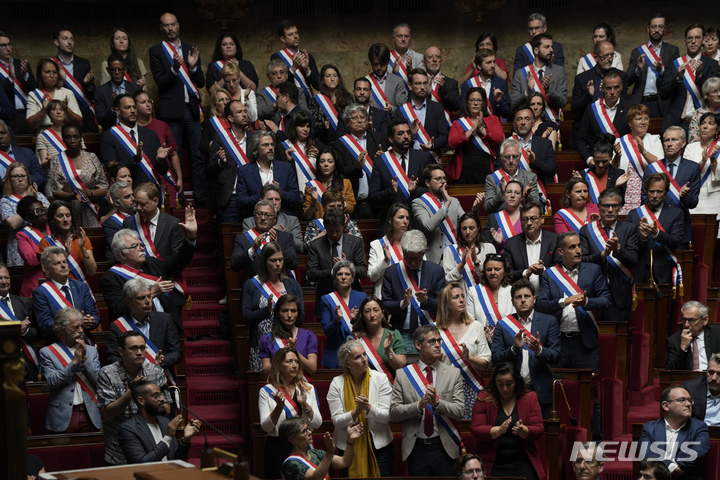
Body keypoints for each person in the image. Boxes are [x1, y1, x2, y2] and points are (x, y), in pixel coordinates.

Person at [537, 231, 611, 439]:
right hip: (558, 344)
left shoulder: (593, 270)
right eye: (572, 247)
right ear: (560, 251)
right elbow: (541, 306)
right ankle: (561, 442)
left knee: (590, 396)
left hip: (585, 345)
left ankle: (594, 443)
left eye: (579, 246)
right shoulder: (550, 275)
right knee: (557, 394)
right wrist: (564, 302)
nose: (578, 250)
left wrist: (586, 303)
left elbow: (606, 300)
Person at [390, 325, 465, 476]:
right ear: (418, 345)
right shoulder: (403, 375)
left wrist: (437, 404)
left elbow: (460, 411)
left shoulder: (453, 373)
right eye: (431, 341)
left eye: (439, 341)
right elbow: (394, 412)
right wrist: (418, 406)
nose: (437, 345)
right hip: (416, 447)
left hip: (445, 446)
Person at [149, 13, 206, 207]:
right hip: (171, 113)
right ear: (161, 28)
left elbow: (201, 82)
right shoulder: (156, 51)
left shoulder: (191, 48)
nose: (170, 28)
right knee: (174, 156)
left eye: (173, 24)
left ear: (178, 25)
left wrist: (192, 68)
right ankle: (178, 198)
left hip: (191, 111)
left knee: (198, 155)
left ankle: (200, 197)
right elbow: (161, 83)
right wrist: (174, 69)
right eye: (166, 26)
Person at [101, 216, 197, 332]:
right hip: (134, 332)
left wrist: (191, 237)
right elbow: (119, 308)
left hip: (166, 328)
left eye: (141, 245)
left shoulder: (152, 264)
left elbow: (179, 261)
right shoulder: (111, 277)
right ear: (122, 254)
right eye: (135, 246)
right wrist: (151, 293)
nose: (141, 249)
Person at [97, 330, 172, 465]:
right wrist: (131, 393)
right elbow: (107, 413)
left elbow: (166, 409)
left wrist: (149, 402)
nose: (139, 352)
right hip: (118, 451)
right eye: (133, 348)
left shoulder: (156, 372)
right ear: (121, 352)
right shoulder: (107, 374)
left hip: (152, 446)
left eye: (142, 348)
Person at [492, 279, 561, 418]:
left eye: (527, 296)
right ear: (512, 302)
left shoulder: (549, 322)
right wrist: (514, 349)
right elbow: (495, 359)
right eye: (518, 297)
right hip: (512, 393)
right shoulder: (503, 325)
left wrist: (539, 350)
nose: (523, 300)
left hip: (541, 392)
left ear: (534, 299)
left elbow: (556, 356)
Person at [327, 339, 394, 477]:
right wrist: (356, 412)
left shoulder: (380, 379)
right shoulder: (336, 383)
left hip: (379, 447)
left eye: (364, 354)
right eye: (358, 357)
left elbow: (387, 416)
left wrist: (368, 408)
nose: (364, 359)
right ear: (347, 364)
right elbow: (337, 421)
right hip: (347, 447)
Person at [471, 362, 545, 480]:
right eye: (500, 384)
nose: (505, 389)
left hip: (522, 461)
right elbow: (476, 429)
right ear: (495, 383)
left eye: (509, 384)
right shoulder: (484, 398)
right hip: (492, 462)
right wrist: (498, 430)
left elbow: (539, 429)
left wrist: (523, 430)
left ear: (516, 382)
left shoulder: (530, 398)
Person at [259, 348, 322, 479]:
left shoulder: (307, 389)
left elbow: (317, 423)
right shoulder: (267, 391)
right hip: (277, 447)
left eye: (296, 361)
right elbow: (266, 427)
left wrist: (305, 405)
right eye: (289, 361)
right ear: (278, 365)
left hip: (303, 445)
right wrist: (278, 408)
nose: (294, 365)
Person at [579, 188, 640, 323]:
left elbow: (633, 260)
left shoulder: (629, 229)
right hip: (591, 293)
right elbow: (582, 261)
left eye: (615, 206)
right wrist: (601, 255)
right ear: (599, 207)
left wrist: (617, 249)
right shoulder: (587, 231)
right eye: (606, 206)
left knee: (616, 339)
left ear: (620, 208)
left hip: (619, 296)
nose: (610, 210)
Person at [38, 307, 102, 433]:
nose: (80, 331)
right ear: (61, 329)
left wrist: (85, 359)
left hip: (90, 412)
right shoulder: (48, 352)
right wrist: (74, 363)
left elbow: (99, 381)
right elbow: (53, 381)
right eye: (75, 327)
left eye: (81, 326)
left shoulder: (91, 351)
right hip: (63, 414)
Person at [242, 242, 303, 372]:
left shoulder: (292, 285)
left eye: (280, 260)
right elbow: (245, 317)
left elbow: (301, 316)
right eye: (273, 260)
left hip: (288, 345)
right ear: (264, 261)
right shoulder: (252, 284)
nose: (278, 264)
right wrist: (266, 310)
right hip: (261, 346)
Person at [382, 230, 445, 353]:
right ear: (403, 251)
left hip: (429, 336)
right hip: (401, 335)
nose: (413, 262)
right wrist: (402, 304)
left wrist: (426, 301)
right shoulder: (391, 272)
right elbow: (385, 305)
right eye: (409, 258)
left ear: (424, 251)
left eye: (417, 258)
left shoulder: (436, 271)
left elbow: (444, 306)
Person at [436, 283, 491, 418]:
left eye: (462, 296)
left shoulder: (476, 326)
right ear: (446, 303)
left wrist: (469, 358)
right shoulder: (434, 330)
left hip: (471, 386)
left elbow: (486, 362)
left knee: (470, 432)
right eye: (455, 297)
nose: (461, 300)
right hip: (445, 389)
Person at [105, 278, 182, 373]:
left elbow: (176, 353)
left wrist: (161, 362)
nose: (148, 301)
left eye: (149, 296)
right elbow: (112, 357)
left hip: (161, 376)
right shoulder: (117, 326)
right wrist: (132, 367)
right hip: (131, 380)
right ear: (128, 302)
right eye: (141, 298)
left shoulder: (165, 320)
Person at [641, 127, 701, 246]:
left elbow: (693, 202)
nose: (669, 144)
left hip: (680, 231)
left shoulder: (692, 168)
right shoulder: (652, 168)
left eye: (674, 140)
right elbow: (643, 200)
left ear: (683, 143)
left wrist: (684, 196)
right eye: (667, 140)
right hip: (655, 227)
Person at [118, 380, 201, 464]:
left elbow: (178, 460)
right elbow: (141, 463)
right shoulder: (128, 429)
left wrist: (185, 439)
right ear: (141, 401)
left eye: (161, 394)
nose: (162, 399)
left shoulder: (164, 422)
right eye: (156, 396)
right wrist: (167, 438)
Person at [99, 93, 170, 189]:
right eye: (127, 108)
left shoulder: (151, 135)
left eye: (134, 107)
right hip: (127, 193)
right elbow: (112, 169)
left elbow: (162, 171)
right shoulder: (109, 137)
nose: (132, 111)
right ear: (117, 111)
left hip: (151, 192)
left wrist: (160, 160)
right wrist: (135, 160)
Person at [639, 386, 710, 479]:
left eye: (689, 400)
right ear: (665, 405)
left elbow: (697, 453)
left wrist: (678, 467)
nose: (688, 404)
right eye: (682, 400)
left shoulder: (699, 427)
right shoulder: (649, 428)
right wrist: (670, 466)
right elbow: (647, 454)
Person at [626, 173, 684, 285]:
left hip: (664, 270)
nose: (655, 195)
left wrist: (656, 233)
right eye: (651, 191)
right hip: (639, 271)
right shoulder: (633, 215)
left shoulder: (676, 214)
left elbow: (676, 242)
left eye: (659, 192)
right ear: (646, 191)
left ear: (666, 193)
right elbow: (628, 245)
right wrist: (642, 238)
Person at [660, 24, 719, 134]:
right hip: (676, 123)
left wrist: (700, 76)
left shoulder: (712, 65)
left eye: (697, 38)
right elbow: (663, 94)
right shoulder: (674, 64)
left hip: (703, 123)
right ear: (684, 41)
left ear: (703, 40)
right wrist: (678, 78)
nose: (693, 41)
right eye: (690, 38)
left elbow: (714, 94)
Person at [307, 209, 367, 316]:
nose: (334, 234)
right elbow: (311, 274)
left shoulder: (355, 242)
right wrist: (332, 272)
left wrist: (348, 266)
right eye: (331, 231)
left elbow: (363, 272)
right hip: (327, 299)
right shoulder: (316, 245)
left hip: (352, 300)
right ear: (325, 226)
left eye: (338, 231)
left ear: (344, 226)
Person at [48, 123, 108, 227]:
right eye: (68, 137)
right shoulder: (57, 160)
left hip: (92, 208)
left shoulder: (91, 157)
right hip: (69, 211)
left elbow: (104, 188)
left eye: (76, 137)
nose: (72, 141)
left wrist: (87, 194)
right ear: (63, 139)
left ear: (81, 138)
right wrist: (73, 195)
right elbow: (56, 192)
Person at [413, 164, 475, 264]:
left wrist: (474, 209)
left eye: (444, 178)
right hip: (435, 258)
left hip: (455, 256)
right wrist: (446, 204)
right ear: (427, 183)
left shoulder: (454, 201)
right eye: (438, 179)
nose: (443, 182)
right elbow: (429, 226)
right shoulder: (419, 203)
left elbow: (466, 221)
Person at [571, 43, 628, 151]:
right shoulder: (582, 78)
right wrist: (587, 96)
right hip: (588, 136)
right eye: (605, 56)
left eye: (612, 55)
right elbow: (574, 108)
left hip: (615, 134)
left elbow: (623, 105)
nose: (609, 59)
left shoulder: (621, 77)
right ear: (596, 57)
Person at [332, 103, 383, 218]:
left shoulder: (378, 139)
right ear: (347, 123)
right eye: (354, 118)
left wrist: (384, 159)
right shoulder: (339, 144)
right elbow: (339, 172)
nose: (359, 121)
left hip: (376, 203)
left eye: (362, 117)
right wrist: (357, 167)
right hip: (352, 203)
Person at [133, 90, 184, 205]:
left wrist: (179, 177)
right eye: (143, 102)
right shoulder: (132, 130)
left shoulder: (162, 126)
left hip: (165, 176)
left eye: (149, 101)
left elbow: (173, 154)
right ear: (134, 107)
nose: (148, 104)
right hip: (144, 178)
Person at [237, 130, 301, 217]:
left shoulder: (286, 168)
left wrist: (279, 191)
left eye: (272, 144)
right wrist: (262, 194)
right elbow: (240, 202)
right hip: (256, 220)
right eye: (265, 145)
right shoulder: (245, 171)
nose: (271, 148)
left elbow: (296, 199)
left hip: (283, 219)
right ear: (256, 150)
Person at [626, 14, 680, 118]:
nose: (657, 30)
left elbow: (675, 79)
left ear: (664, 29)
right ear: (648, 29)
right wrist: (638, 69)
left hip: (662, 102)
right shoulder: (637, 52)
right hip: (640, 102)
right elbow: (627, 81)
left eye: (660, 27)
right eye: (654, 26)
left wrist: (661, 71)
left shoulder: (672, 51)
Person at [208, 100, 253, 223]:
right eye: (239, 112)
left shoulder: (254, 138)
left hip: (251, 196)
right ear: (230, 118)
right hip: (230, 197)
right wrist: (220, 163)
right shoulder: (221, 138)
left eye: (245, 111)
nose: (244, 114)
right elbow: (211, 167)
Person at [447, 87, 504, 184]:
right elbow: (452, 143)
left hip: (486, 168)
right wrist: (472, 130)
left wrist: (481, 129)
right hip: (463, 170)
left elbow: (499, 140)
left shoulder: (492, 119)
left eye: (479, 100)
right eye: (472, 100)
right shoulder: (458, 123)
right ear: (467, 103)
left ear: (483, 103)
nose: (475, 103)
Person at [576, 69, 632, 165]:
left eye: (616, 87)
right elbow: (581, 140)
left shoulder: (630, 108)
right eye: (608, 88)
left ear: (621, 87)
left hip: (624, 161)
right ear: (602, 88)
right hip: (599, 163)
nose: (613, 92)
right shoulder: (592, 109)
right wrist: (589, 159)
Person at [231, 200, 298, 281]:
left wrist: (278, 246)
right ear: (254, 216)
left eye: (267, 215)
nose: (263, 218)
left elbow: (293, 264)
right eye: (259, 214)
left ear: (274, 219)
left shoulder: (285, 237)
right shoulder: (242, 238)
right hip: (254, 289)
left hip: (279, 288)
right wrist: (252, 250)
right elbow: (234, 266)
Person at [319, 260, 368, 369]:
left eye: (347, 274)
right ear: (335, 278)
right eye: (340, 274)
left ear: (353, 278)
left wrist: (355, 320)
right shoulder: (327, 299)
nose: (343, 277)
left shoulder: (362, 297)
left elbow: (367, 327)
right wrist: (337, 320)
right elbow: (326, 330)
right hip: (336, 353)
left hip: (359, 350)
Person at [615, 104, 663, 214]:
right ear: (630, 123)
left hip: (647, 193)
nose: (643, 122)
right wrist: (617, 156)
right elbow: (614, 168)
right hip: (625, 193)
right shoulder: (620, 142)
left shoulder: (654, 139)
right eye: (639, 119)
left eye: (646, 118)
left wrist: (643, 152)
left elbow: (660, 165)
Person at [279, 417, 361, 480]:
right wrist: (329, 453)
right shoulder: (291, 463)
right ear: (291, 439)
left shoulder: (316, 453)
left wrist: (350, 440)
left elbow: (345, 462)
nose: (310, 432)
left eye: (308, 429)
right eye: (304, 431)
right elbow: (315, 478)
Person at [510, 33, 568, 122]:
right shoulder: (521, 73)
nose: (551, 50)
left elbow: (563, 102)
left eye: (551, 47)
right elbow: (513, 105)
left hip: (550, 123)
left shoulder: (558, 71)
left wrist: (549, 91)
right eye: (547, 47)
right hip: (527, 124)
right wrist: (527, 92)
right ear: (536, 50)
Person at [504, 202, 560, 293]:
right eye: (525, 219)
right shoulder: (511, 244)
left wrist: (544, 270)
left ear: (542, 219)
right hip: (521, 299)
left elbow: (561, 269)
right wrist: (525, 273)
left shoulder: (555, 240)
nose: (529, 223)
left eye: (533, 218)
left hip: (549, 297)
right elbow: (507, 274)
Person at [1, 163, 48, 266]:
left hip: (42, 239)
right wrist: (29, 201)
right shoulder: (5, 201)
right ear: (9, 179)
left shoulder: (39, 196)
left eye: (23, 176)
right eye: (15, 176)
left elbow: (49, 216)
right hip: (19, 245)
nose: (20, 179)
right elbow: (13, 224)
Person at [394, 68, 449, 156]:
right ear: (410, 86)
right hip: (409, 158)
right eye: (418, 83)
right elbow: (395, 139)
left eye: (425, 83)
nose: (423, 87)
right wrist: (410, 135)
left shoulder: (437, 108)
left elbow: (444, 136)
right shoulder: (401, 111)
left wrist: (432, 145)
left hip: (431, 157)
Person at [37, 200, 97, 282]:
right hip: (60, 288)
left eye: (68, 215)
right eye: (60, 216)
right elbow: (47, 274)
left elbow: (92, 271)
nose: (65, 219)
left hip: (81, 287)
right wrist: (66, 254)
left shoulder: (82, 239)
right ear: (52, 219)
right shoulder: (46, 242)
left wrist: (82, 248)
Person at [51, 26, 97, 133]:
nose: (69, 42)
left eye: (72, 39)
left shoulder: (84, 63)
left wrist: (88, 84)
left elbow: (92, 94)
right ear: (56, 42)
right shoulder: (51, 64)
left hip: (84, 115)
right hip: (61, 114)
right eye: (65, 38)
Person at [259, 294, 317, 377]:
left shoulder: (308, 336)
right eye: (285, 310)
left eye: (293, 311)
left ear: (298, 313)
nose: (289, 315)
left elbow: (312, 369)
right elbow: (266, 371)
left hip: (302, 387)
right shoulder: (267, 339)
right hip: (278, 387)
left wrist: (294, 352)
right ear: (278, 313)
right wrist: (283, 355)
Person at [0, 262, 39, 380]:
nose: (4, 281)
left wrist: (24, 331)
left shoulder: (24, 303)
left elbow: (38, 334)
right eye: (0, 278)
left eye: (6, 277)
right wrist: (15, 329)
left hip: (26, 361)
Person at [351, 297, 407, 380]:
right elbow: (351, 369)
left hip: (389, 387)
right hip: (363, 386)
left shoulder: (393, 335)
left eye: (376, 310)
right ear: (362, 316)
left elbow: (400, 366)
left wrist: (388, 351)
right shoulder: (354, 339)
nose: (372, 315)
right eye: (367, 311)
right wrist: (358, 352)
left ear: (383, 313)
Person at [443, 212, 496, 295]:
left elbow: (492, 276)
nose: (467, 232)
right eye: (464, 228)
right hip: (461, 299)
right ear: (460, 230)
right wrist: (461, 264)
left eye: (471, 228)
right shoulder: (450, 250)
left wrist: (477, 262)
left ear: (478, 228)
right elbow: (447, 279)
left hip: (485, 297)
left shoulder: (488, 248)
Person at [242, 183, 304, 254]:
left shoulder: (292, 221)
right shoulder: (249, 222)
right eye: (270, 199)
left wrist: (284, 237)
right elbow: (246, 247)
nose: (274, 202)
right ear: (261, 201)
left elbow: (300, 247)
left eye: (277, 199)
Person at [483, 138, 540, 214]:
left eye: (515, 156)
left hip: (523, 221)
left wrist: (526, 197)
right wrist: (501, 195)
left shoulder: (530, 177)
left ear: (520, 157)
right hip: (502, 222)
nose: (511, 161)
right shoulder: (492, 179)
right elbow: (487, 208)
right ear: (501, 157)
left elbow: (537, 206)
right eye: (507, 157)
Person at [684, 112, 720, 228]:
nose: (704, 126)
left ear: (717, 129)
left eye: (710, 124)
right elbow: (685, 174)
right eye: (703, 123)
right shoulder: (690, 148)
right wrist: (703, 162)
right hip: (694, 196)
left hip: (714, 197)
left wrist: (713, 159)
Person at [26, 58, 82, 132]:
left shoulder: (67, 93)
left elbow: (79, 122)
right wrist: (43, 110)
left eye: (54, 72)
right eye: (47, 72)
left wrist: (66, 109)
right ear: (40, 75)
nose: (52, 76)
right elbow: (31, 125)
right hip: (45, 135)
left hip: (65, 133)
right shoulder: (34, 95)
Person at [368, 204, 410, 299]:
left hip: (408, 297)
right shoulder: (377, 245)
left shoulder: (414, 243)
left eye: (407, 218)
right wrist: (385, 262)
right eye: (400, 217)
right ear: (390, 220)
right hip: (386, 298)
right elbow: (372, 277)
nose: (405, 221)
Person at [510, 104, 557, 186]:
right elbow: (499, 171)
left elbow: (552, 170)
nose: (523, 123)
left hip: (537, 192)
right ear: (514, 124)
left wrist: (534, 161)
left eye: (527, 119)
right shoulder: (506, 143)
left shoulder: (545, 144)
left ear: (533, 123)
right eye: (519, 119)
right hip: (512, 193)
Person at [0, 30, 36, 134]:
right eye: (3, 45)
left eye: (9, 44)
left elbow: (34, 88)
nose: (8, 48)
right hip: (9, 117)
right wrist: (10, 78)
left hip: (28, 113)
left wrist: (26, 76)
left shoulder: (21, 64)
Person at [667, 301, 720, 371]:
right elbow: (671, 370)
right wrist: (683, 348)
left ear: (705, 320)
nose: (686, 324)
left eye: (692, 320)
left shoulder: (717, 333)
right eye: (684, 320)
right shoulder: (674, 340)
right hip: (689, 380)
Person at [270, 20, 321, 94]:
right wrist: (293, 68)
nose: (295, 36)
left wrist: (307, 70)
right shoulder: (277, 57)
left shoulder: (307, 56)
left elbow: (318, 86)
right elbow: (279, 84)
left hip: (308, 100)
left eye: (296, 33)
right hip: (290, 101)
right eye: (290, 34)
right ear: (283, 39)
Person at [95, 54, 142, 132]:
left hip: (133, 131)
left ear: (125, 70)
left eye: (120, 69)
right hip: (112, 133)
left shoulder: (135, 88)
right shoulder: (100, 91)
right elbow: (100, 119)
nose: (117, 73)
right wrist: (113, 107)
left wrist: (131, 102)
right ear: (108, 70)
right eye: (113, 69)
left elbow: (141, 115)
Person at [302, 151, 353, 223]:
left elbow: (351, 209)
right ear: (318, 165)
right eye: (322, 161)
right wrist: (313, 201)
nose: (326, 164)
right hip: (320, 226)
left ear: (335, 165)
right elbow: (307, 216)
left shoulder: (345, 183)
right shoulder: (311, 186)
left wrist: (342, 203)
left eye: (330, 161)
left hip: (338, 226)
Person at [282, 110, 325, 195]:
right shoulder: (283, 146)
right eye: (302, 126)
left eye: (308, 126)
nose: (306, 129)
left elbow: (328, 171)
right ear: (294, 127)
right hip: (296, 194)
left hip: (317, 193)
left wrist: (321, 158)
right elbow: (281, 175)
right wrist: (287, 161)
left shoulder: (318, 145)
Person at [15, 196, 51, 296]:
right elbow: (31, 260)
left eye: (43, 209)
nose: (43, 213)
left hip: (56, 280)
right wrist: (51, 248)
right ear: (28, 218)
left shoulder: (54, 229)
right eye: (37, 211)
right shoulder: (23, 235)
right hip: (36, 285)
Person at [574, 134, 628, 200]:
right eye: (597, 161)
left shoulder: (618, 174)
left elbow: (621, 202)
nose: (600, 165)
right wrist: (578, 187)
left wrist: (616, 187)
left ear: (610, 158)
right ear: (592, 158)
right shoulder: (583, 174)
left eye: (604, 161)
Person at [460, 49, 510, 120]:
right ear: (479, 66)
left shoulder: (501, 83)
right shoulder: (467, 85)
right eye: (488, 63)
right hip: (473, 127)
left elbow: (506, 113)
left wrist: (498, 102)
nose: (493, 65)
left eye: (494, 62)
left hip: (494, 127)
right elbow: (463, 112)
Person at [469, 254, 515, 330]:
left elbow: (515, 320)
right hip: (481, 338)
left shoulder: (512, 291)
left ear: (505, 272)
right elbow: (470, 321)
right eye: (489, 270)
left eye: (497, 269)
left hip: (506, 337)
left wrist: (499, 334)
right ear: (484, 272)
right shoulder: (474, 292)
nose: (492, 273)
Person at [257, 59, 309, 126]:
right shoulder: (262, 94)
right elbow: (259, 113)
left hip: (295, 128)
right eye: (274, 73)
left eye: (282, 72)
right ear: (269, 78)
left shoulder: (299, 91)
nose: (279, 76)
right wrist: (274, 106)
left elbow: (304, 112)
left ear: (287, 75)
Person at [35, 100, 78, 179]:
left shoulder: (75, 132)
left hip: (75, 175)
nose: (58, 112)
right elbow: (44, 164)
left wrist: (56, 158)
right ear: (49, 114)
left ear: (65, 113)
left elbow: (83, 156)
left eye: (61, 109)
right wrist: (51, 160)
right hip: (54, 177)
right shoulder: (42, 136)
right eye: (54, 109)